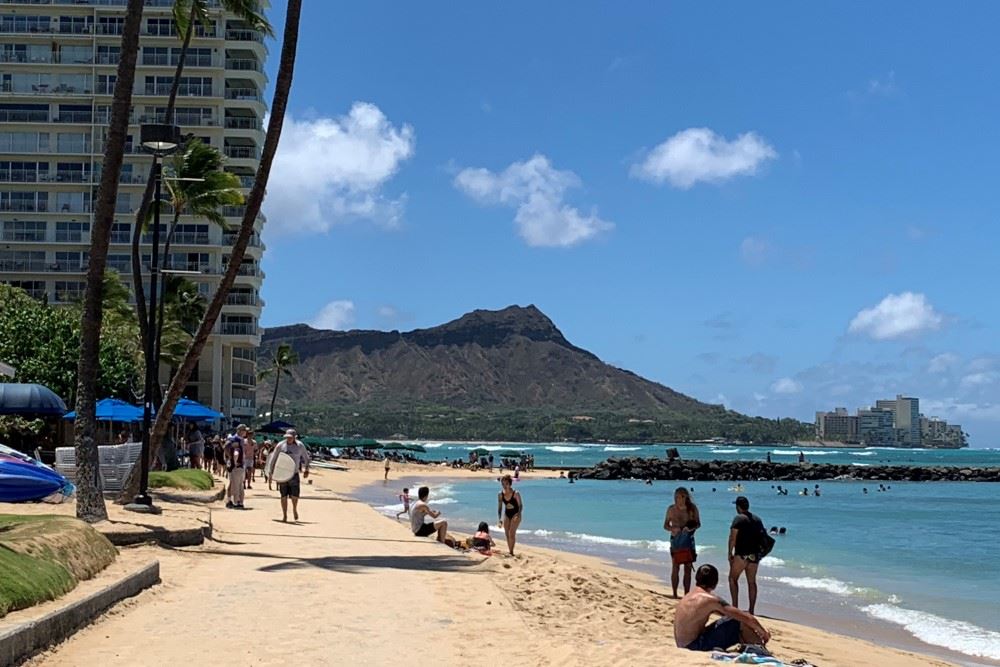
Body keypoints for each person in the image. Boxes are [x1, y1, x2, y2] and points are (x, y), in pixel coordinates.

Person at [674, 564, 771, 651]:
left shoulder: (688, 596)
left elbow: (727, 614)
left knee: (736, 619)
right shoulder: (710, 599)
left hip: (682, 644)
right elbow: (747, 618)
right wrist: (764, 634)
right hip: (694, 646)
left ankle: (751, 646)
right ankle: (760, 650)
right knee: (740, 620)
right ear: (715, 582)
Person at [728, 496, 767, 613]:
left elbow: (732, 538)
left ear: (738, 507)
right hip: (754, 555)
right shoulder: (757, 519)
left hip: (742, 554)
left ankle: (735, 606)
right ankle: (751, 609)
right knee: (752, 582)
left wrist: (730, 553)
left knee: (732, 579)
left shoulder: (738, 519)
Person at [265, 429, 311, 523]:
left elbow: (306, 457)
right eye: (287, 437)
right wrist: (270, 472)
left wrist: (307, 469)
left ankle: (294, 508)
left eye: (290, 437)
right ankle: (284, 515)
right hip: (282, 474)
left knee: (295, 495)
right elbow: (273, 458)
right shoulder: (281, 445)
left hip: (294, 473)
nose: (288, 439)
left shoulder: (300, 445)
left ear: (294, 437)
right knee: (283, 495)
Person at [664, 487, 702, 598]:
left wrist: (689, 529)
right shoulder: (671, 509)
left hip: (688, 540)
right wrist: (672, 529)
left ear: (685, 497)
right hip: (675, 540)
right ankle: (675, 593)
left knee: (688, 568)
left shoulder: (692, 509)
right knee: (675, 567)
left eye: (679, 497)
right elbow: (665, 525)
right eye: (675, 497)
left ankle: (686, 594)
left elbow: (698, 524)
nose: (676, 499)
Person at [496, 474, 523, 556]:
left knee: (512, 533)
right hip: (507, 514)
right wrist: (500, 519)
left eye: (506, 484)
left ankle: (511, 552)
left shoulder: (516, 493)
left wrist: (518, 515)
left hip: (516, 514)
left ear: (510, 484)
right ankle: (510, 550)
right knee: (506, 533)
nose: (504, 486)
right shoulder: (500, 494)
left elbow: (520, 505)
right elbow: (500, 507)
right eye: (503, 484)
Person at [224, 426, 248, 509]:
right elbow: (236, 453)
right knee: (237, 484)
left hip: (233, 464)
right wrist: (234, 460)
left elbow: (226, 447)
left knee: (232, 483)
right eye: (245, 430)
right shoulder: (239, 439)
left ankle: (229, 500)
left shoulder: (231, 438)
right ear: (240, 431)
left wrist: (229, 458)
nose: (246, 432)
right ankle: (237, 502)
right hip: (237, 465)